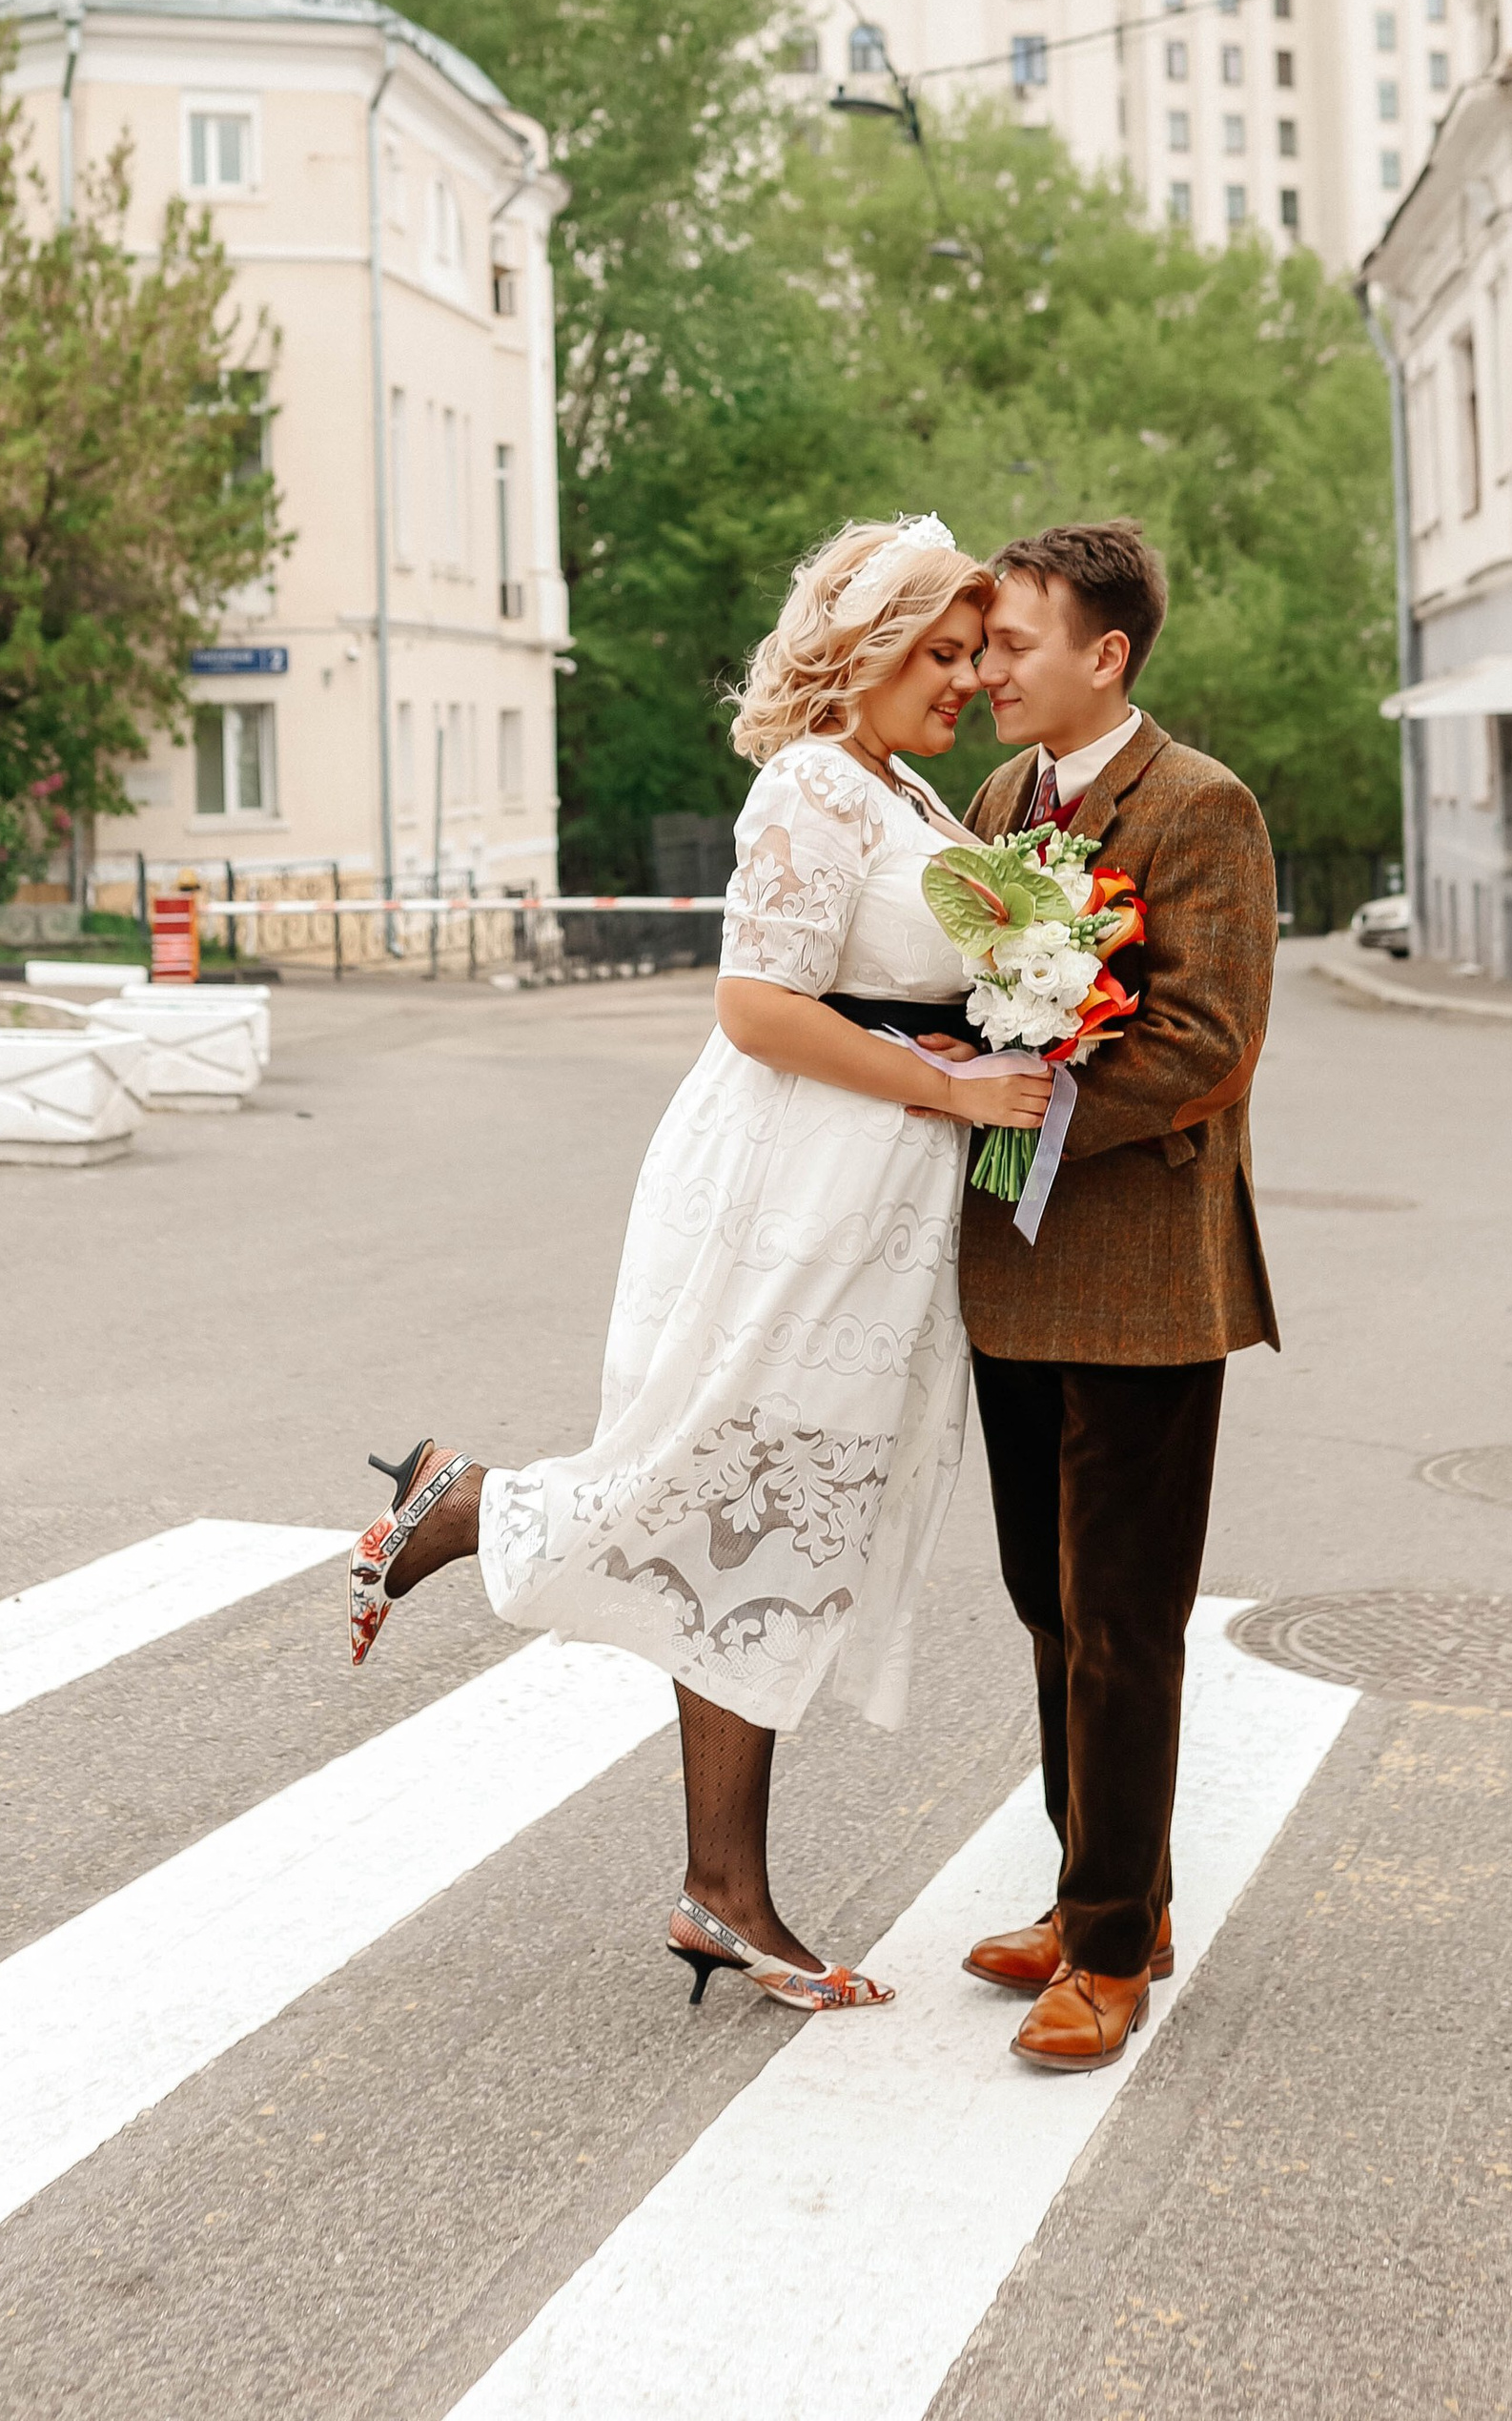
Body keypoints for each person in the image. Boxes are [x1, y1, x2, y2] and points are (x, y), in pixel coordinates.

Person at [345, 516, 1052, 2015]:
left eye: (973, 654)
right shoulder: (815, 783)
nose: (965, 679)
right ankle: (463, 1506)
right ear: (866, 651)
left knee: (765, 1530)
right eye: (941, 653)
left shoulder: (903, 786)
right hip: (797, 1196)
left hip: (874, 1207)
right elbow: (757, 1007)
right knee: (725, 1490)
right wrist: (952, 1088)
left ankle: (720, 1892)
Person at [951, 521, 1280, 2074]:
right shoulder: (1001, 803)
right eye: (981, 648)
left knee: (1125, 1620)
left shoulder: (1202, 806)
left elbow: (1209, 1041)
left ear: (1107, 654)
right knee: (1045, 1598)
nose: (985, 672)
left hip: (1147, 1274)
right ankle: (1108, 1897)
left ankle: (1104, 1954)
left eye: (1012, 646)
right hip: (1013, 1268)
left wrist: (1023, 1099)